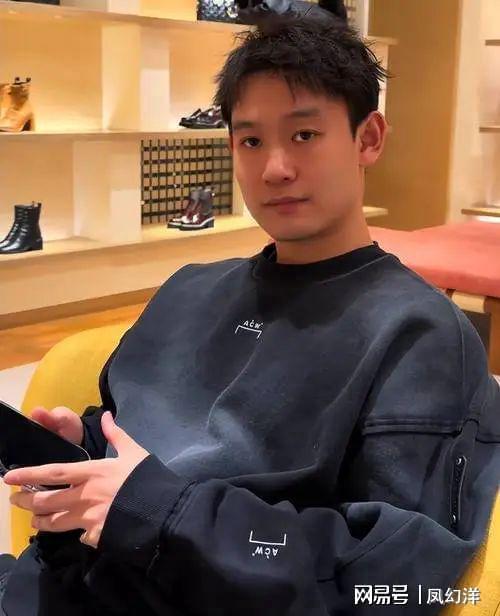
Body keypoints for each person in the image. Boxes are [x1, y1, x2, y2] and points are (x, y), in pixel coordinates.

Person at [1, 1, 499, 614]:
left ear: (368, 138)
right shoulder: (190, 288)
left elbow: (397, 575)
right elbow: (138, 429)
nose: (275, 168)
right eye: (251, 140)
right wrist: (83, 446)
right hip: (54, 582)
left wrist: (159, 511)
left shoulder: (418, 335)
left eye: (304, 135)